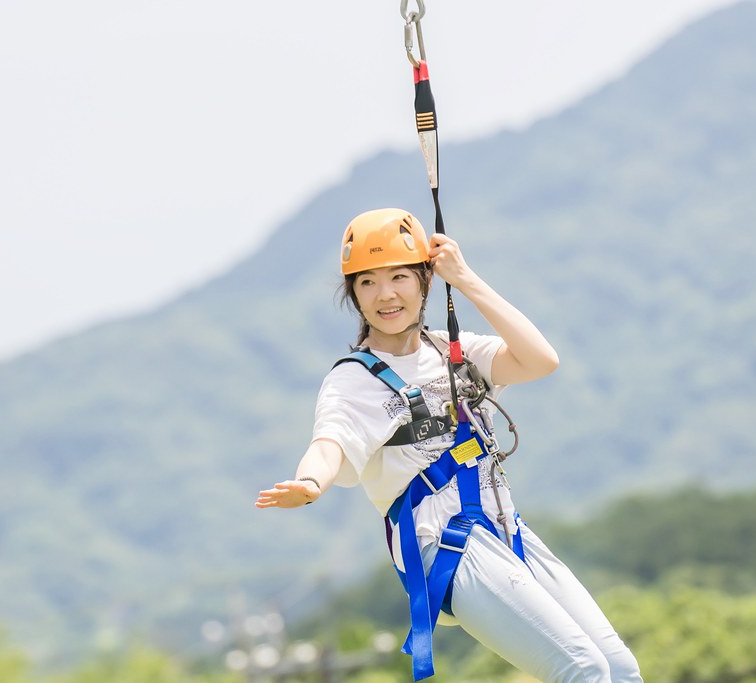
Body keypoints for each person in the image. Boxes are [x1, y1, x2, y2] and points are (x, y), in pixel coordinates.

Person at [256, 208, 642, 683]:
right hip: (442, 542)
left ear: (425, 281)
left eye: (399, 277)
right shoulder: (354, 380)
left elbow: (541, 360)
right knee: (582, 668)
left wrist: (465, 278)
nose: (385, 294)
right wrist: (310, 483)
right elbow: (329, 441)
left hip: (504, 528)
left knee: (619, 668)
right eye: (367, 282)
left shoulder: (453, 352)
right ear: (354, 295)